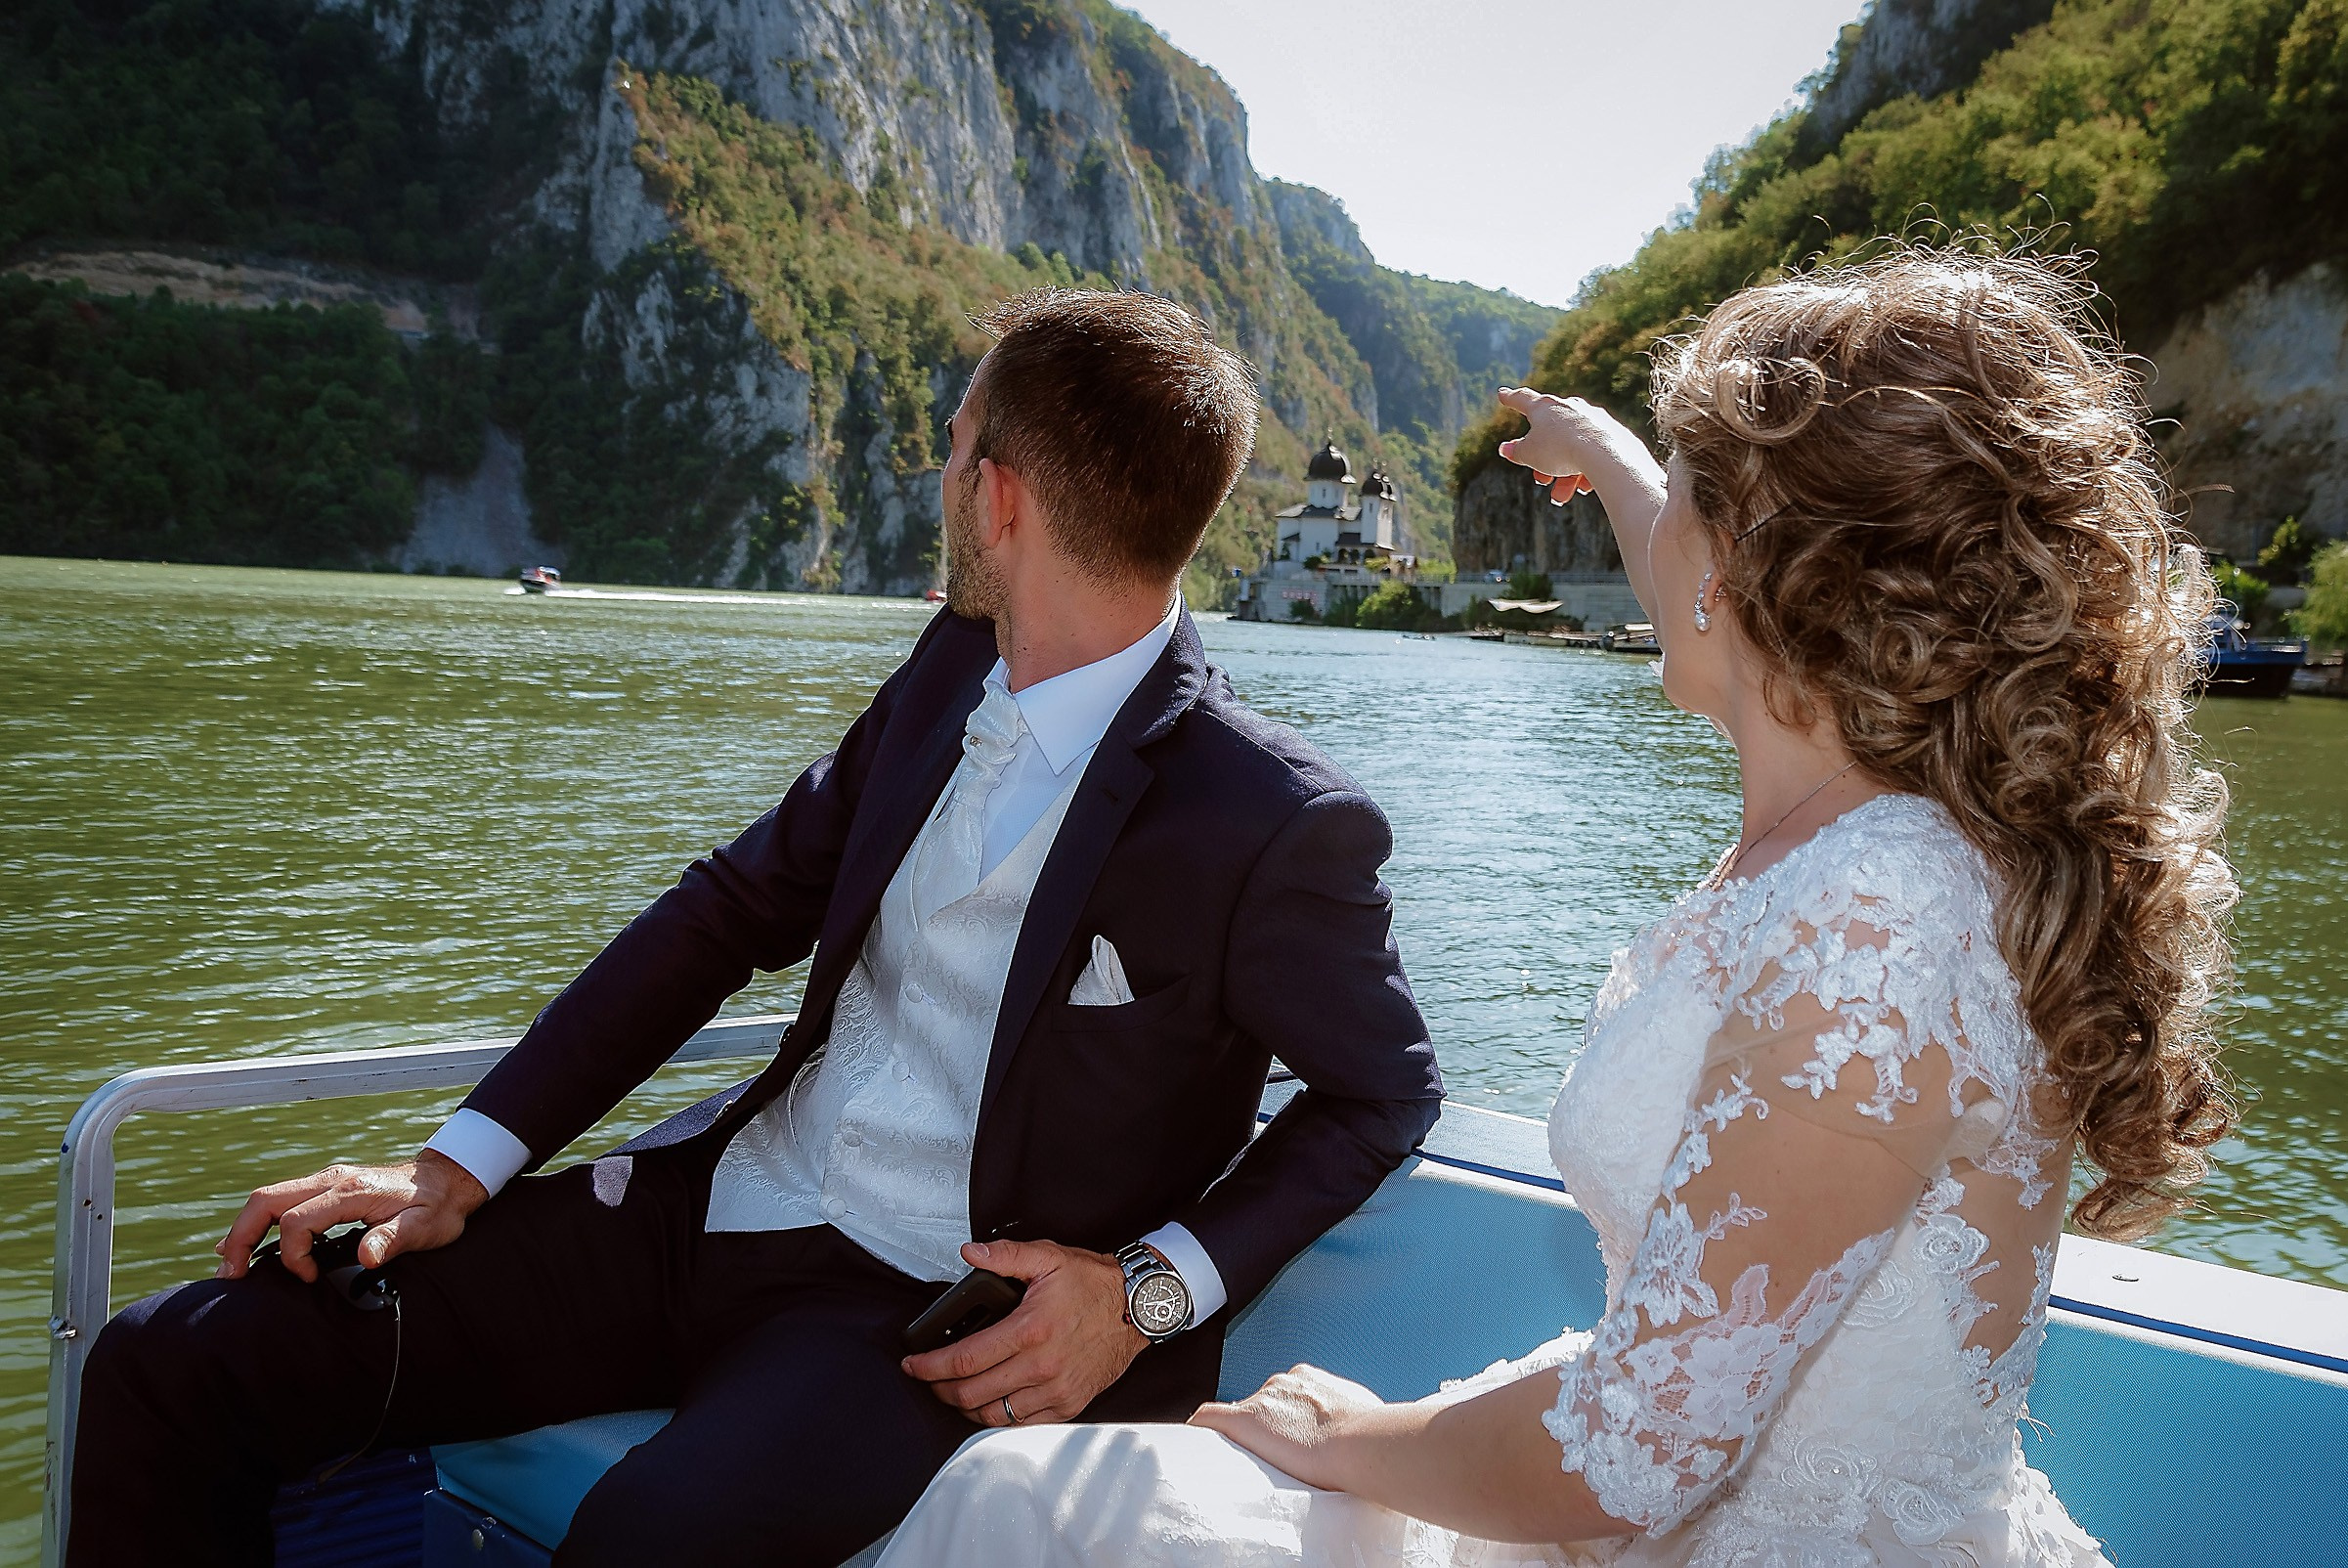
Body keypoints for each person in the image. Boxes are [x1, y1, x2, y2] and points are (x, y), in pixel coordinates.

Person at [877, 249, 2238, 1566]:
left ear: (1744, 570)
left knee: (1016, 1505)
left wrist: (1350, 1434)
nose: (1658, 557)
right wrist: (1606, 455)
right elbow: (1686, 553)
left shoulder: (1874, 919)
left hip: (1682, 1514)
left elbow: (1631, 1454)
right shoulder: (1885, 830)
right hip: (1668, 1498)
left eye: (1684, 509)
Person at [67, 288, 1445, 1567]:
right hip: (710, 1207)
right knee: (170, 1362)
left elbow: (1381, 1094)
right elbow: (730, 908)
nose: (938, 480)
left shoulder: (1273, 817)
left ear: (1000, 497)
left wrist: (1142, 1291)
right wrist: (460, 1165)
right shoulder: (943, 671)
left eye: (952, 447)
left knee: (646, 1546)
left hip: (928, 1319)